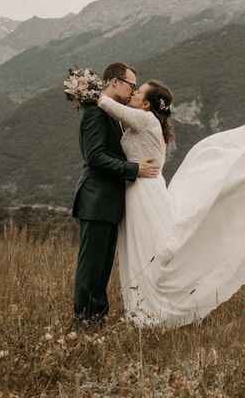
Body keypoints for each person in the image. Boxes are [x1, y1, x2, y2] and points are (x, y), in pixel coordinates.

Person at [96, 77, 245, 327]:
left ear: (147, 105)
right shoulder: (146, 120)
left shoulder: (146, 119)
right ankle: (140, 310)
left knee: (146, 252)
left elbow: (105, 103)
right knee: (140, 250)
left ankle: (148, 312)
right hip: (140, 190)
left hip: (144, 193)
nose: (134, 93)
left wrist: (83, 86)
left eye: (138, 91)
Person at [71, 62, 159, 323]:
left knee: (103, 265)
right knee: (91, 266)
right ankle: (84, 319)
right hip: (96, 199)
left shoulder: (113, 115)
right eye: (132, 85)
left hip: (109, 202)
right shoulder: (95, 115)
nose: (133, 91)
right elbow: (95, 156)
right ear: (114, 82)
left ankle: (97, 316)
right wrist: (133, 169)